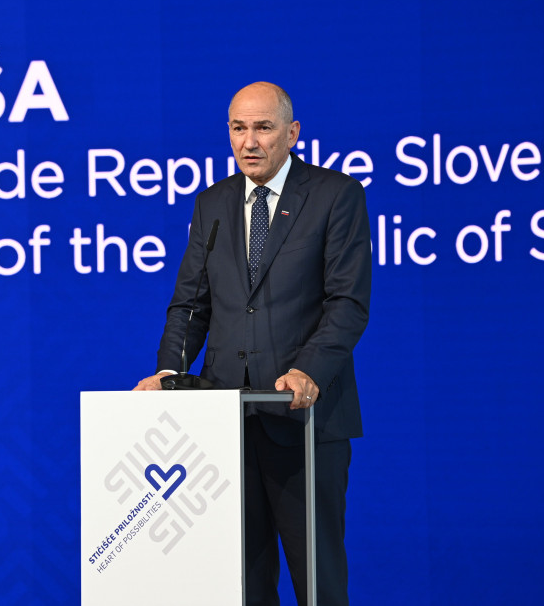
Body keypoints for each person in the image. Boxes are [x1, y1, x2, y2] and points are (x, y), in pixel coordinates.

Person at [134, 82, 372, 605]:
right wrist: (170, 374)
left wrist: (309, 368)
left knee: (318, 578)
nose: (250, 141)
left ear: (292, 133)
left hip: (302, 418)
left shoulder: (335, 195)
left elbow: (347, 303)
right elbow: (190, 305)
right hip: (224, 426)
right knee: (240, 580)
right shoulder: (213, 203)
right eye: (238, 128)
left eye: (263, 128)